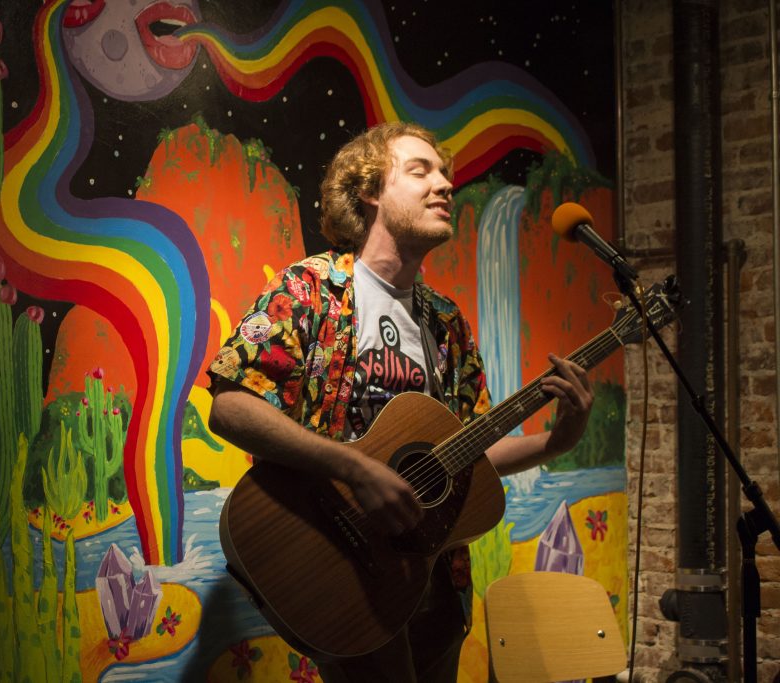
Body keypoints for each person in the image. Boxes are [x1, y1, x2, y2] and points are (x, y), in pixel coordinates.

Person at [206, 121, 594, 682]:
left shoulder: (445, 322)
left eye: (444, 173)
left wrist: (558, 440)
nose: (445, 185)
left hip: (434, 578)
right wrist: (354, 468)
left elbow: (466, 455)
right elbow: (231, 406)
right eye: (420, 171)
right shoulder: (309, 290)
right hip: (344, 570)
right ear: (369, 191)